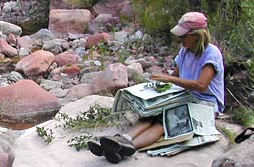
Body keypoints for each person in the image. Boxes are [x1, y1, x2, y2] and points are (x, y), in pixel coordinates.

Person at [87, 12, 225, 163]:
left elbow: (201, 85)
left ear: (197, 35)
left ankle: (126, 147)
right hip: (185, 96)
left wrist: (169, 78)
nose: (180, 39)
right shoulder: (185, 51)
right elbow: (175, 79)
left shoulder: (212, 54)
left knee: (164, 122)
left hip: (205, 102)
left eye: (184, 36)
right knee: (151, 114)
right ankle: (120, 141)